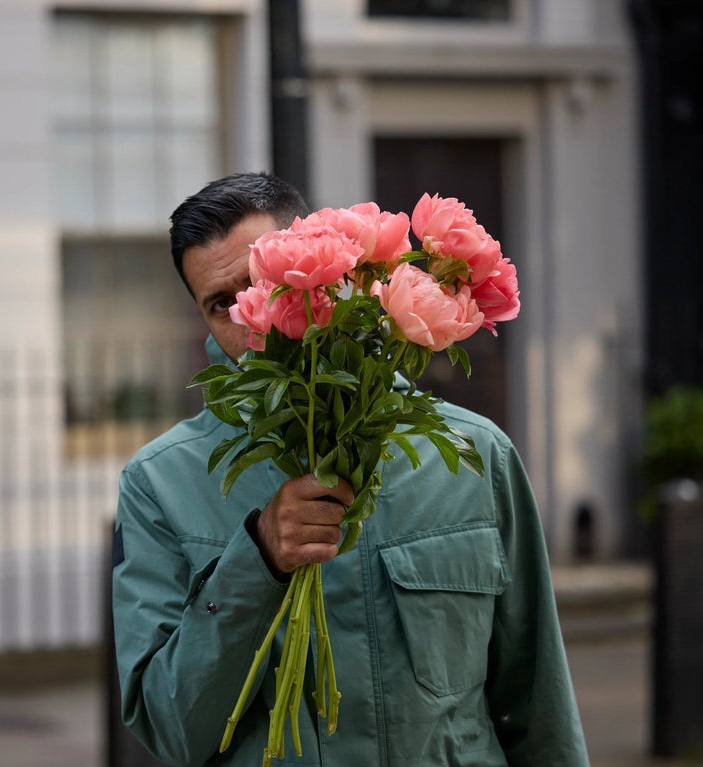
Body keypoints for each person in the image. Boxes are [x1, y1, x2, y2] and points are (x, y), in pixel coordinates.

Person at [112, 172, 590, 766]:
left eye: (267, 282)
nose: (253, 316)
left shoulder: (476, 455)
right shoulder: (160, 483)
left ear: (332, 266)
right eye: (221, 304)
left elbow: (537, 705)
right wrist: (257, 561)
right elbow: (169, 729)